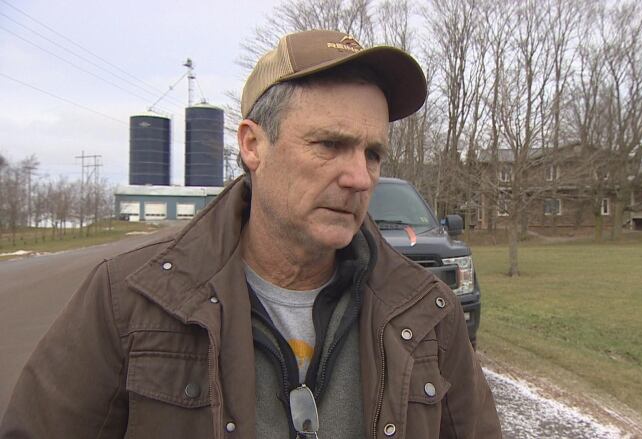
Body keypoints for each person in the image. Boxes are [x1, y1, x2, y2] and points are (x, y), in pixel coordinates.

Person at [0, 29, 501, 438]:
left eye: (373, 153)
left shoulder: (428, 312)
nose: (360, 177)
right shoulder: (131, 299)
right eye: (330, 144)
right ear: (252, 145)